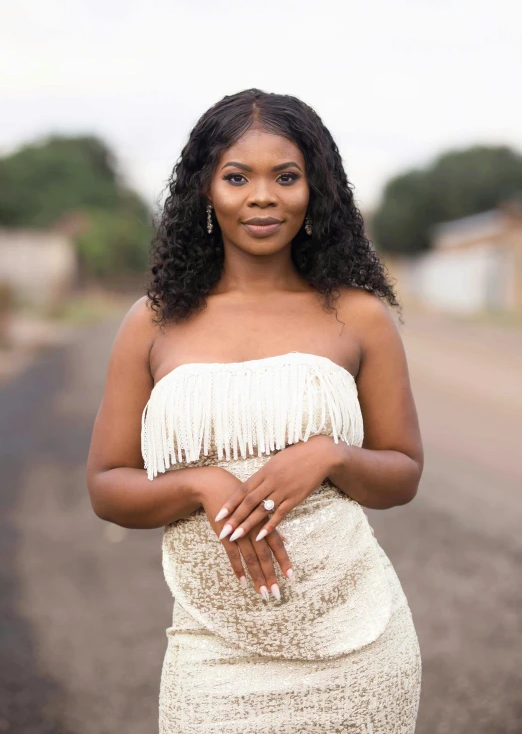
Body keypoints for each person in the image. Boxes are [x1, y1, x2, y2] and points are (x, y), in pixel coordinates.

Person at [86, 88, 423, 733]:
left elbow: (403, 472)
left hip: (359, 647)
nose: (263, 196)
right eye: (237, 177)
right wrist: (199, 483)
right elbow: (106, 487)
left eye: (286, 177)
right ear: (206, 192)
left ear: (314, 190)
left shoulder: (359, 316)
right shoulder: (154, 322)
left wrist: (330, 455)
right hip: (213, 654)